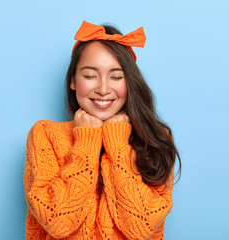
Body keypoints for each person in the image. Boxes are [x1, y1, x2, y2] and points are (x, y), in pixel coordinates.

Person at [23, 20, 181, 240]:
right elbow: (58, 222)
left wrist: (117, 144)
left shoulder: (155, 139)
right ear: (73, 81)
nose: (104, 89)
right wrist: (86, 141)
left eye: (116, 77)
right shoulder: (45, 135)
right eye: (90, 76)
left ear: (130, 83)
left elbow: (141, 226)